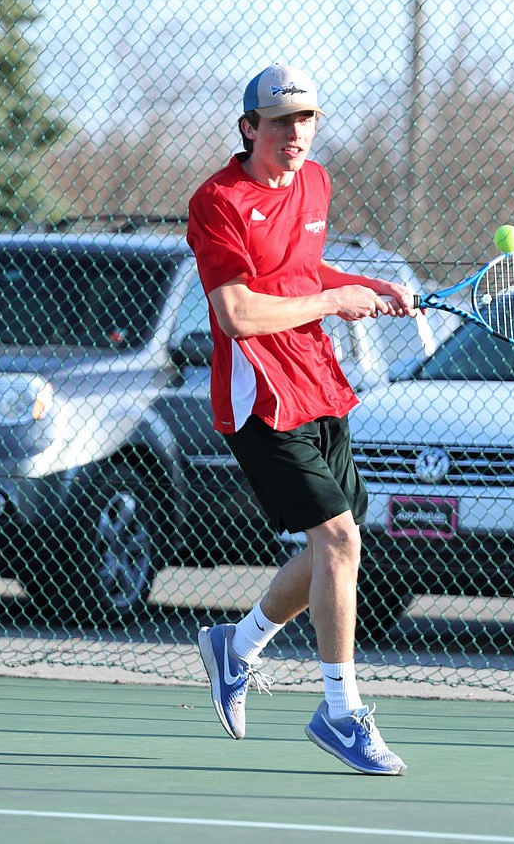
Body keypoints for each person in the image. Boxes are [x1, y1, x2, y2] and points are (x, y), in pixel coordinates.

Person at [186, 64, 415, 776]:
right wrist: (331, 304)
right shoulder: (216, 201)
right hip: (261, 400)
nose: (296, 133)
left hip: (319, 383)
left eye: (307, 119)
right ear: (248, 127)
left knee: (333, 548)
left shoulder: (315, 182)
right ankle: (340, 713)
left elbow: (300, 273)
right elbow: (237, 312)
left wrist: (361, 286)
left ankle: (239, 645)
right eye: (281, 121)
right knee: (339, 540)